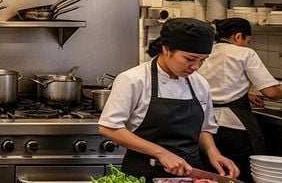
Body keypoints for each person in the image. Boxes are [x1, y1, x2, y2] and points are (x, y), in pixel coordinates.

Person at [98, 18, 239, 181]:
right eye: (190, 59)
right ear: (166, 49)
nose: (196, 67)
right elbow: (109, 128)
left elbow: (204, 128)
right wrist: (161, 153)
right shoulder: (133, 80)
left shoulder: (200, 84)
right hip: (144, 173)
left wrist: (214, 153)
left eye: (202, 60)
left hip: (190, 174)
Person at [197, 17, 282, 183]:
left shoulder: (206, 52)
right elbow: (271, 92)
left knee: (211, 174)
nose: (247, 45)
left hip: (203, 126)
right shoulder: (245, 53)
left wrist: (246, 94)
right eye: (247, 41)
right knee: (238, 174)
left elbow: (214, 84)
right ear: (238, 36)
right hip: (234, 126)